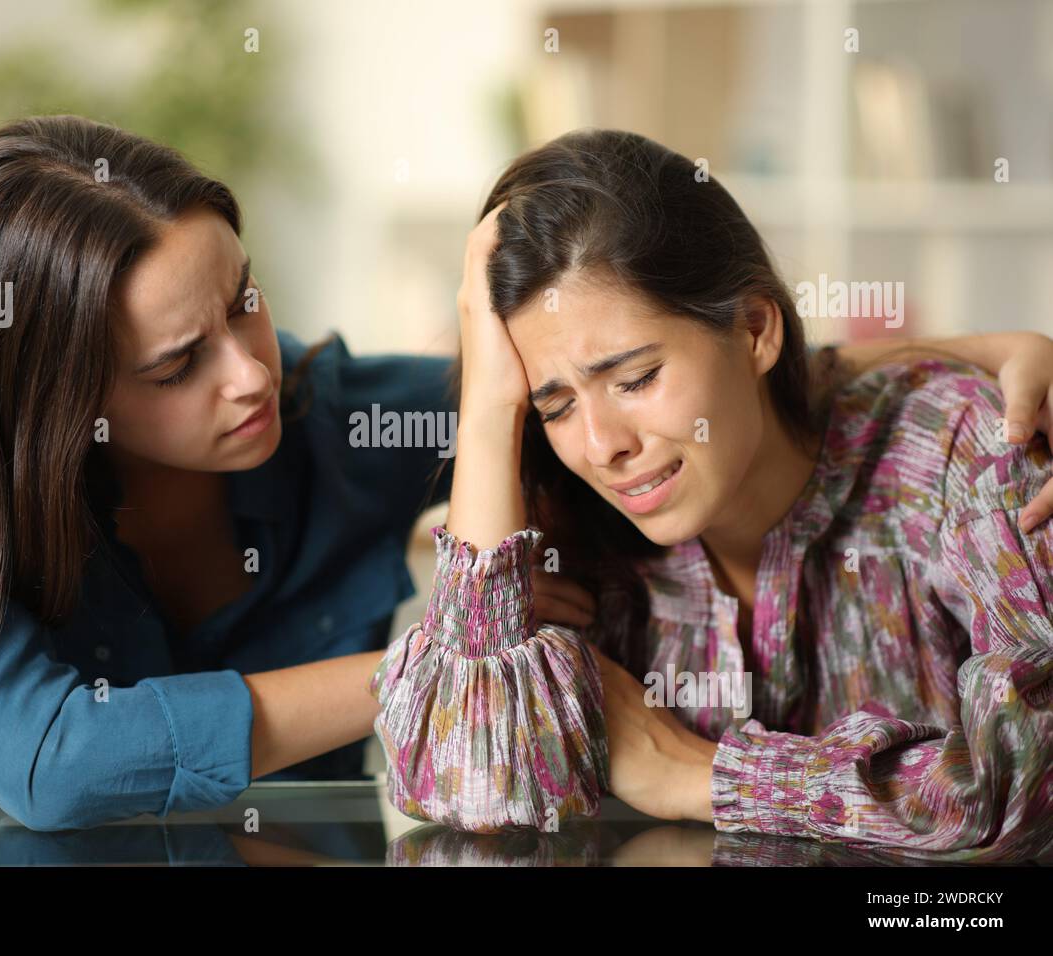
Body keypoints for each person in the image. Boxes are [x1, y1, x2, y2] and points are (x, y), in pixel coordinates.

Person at [0, 115, 1053, 835]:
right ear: (59, 398)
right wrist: (432, 674)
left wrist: (948, 356)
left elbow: (641, 362)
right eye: (179, 361)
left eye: (246, 302)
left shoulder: (338, 416)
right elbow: (58, 764)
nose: (255, 370)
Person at [380, 128, 1053, 861]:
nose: (603, 445)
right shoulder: (557, 545)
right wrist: (486, 414)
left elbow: (1029, 781)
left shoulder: (962, 450)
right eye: (555, 405)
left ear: (756, 328)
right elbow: (466, 792)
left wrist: (701, 774)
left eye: (634, 379)